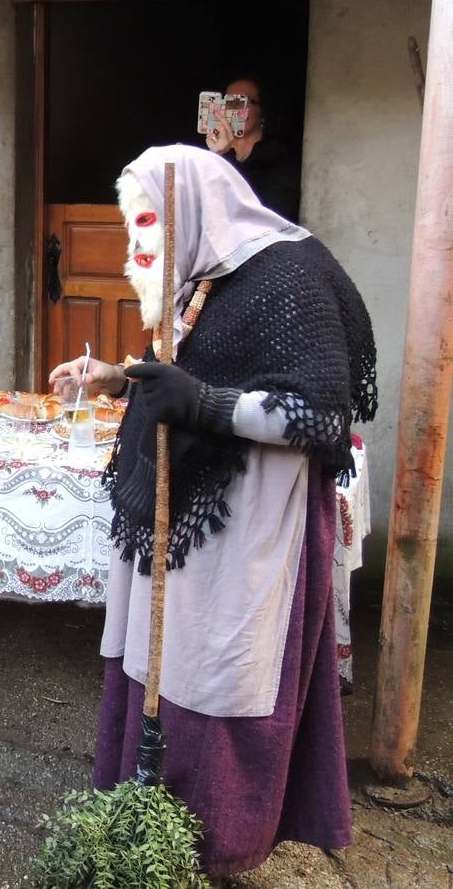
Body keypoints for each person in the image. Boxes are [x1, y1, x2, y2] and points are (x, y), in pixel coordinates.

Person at [51, 144, 376, 878]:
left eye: (143, 223)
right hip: (183, 520)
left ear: (193, 209)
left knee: (215, 683)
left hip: (248, 529)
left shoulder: (291, 276)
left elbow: (321, 417)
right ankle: (146, 838)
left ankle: (211, 850)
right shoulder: (204, 274)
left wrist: (205, 405)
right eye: (126, 225)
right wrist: (116, 378)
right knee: (159, 673)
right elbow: (189, 372)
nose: (134, 245)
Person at [204, 75, 300, 221]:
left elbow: (266, 218)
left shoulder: (279, 162)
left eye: (241, 102)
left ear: (263, 112)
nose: (231, 109)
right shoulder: (220, 158)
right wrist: (216, 157)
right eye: (227, 102)